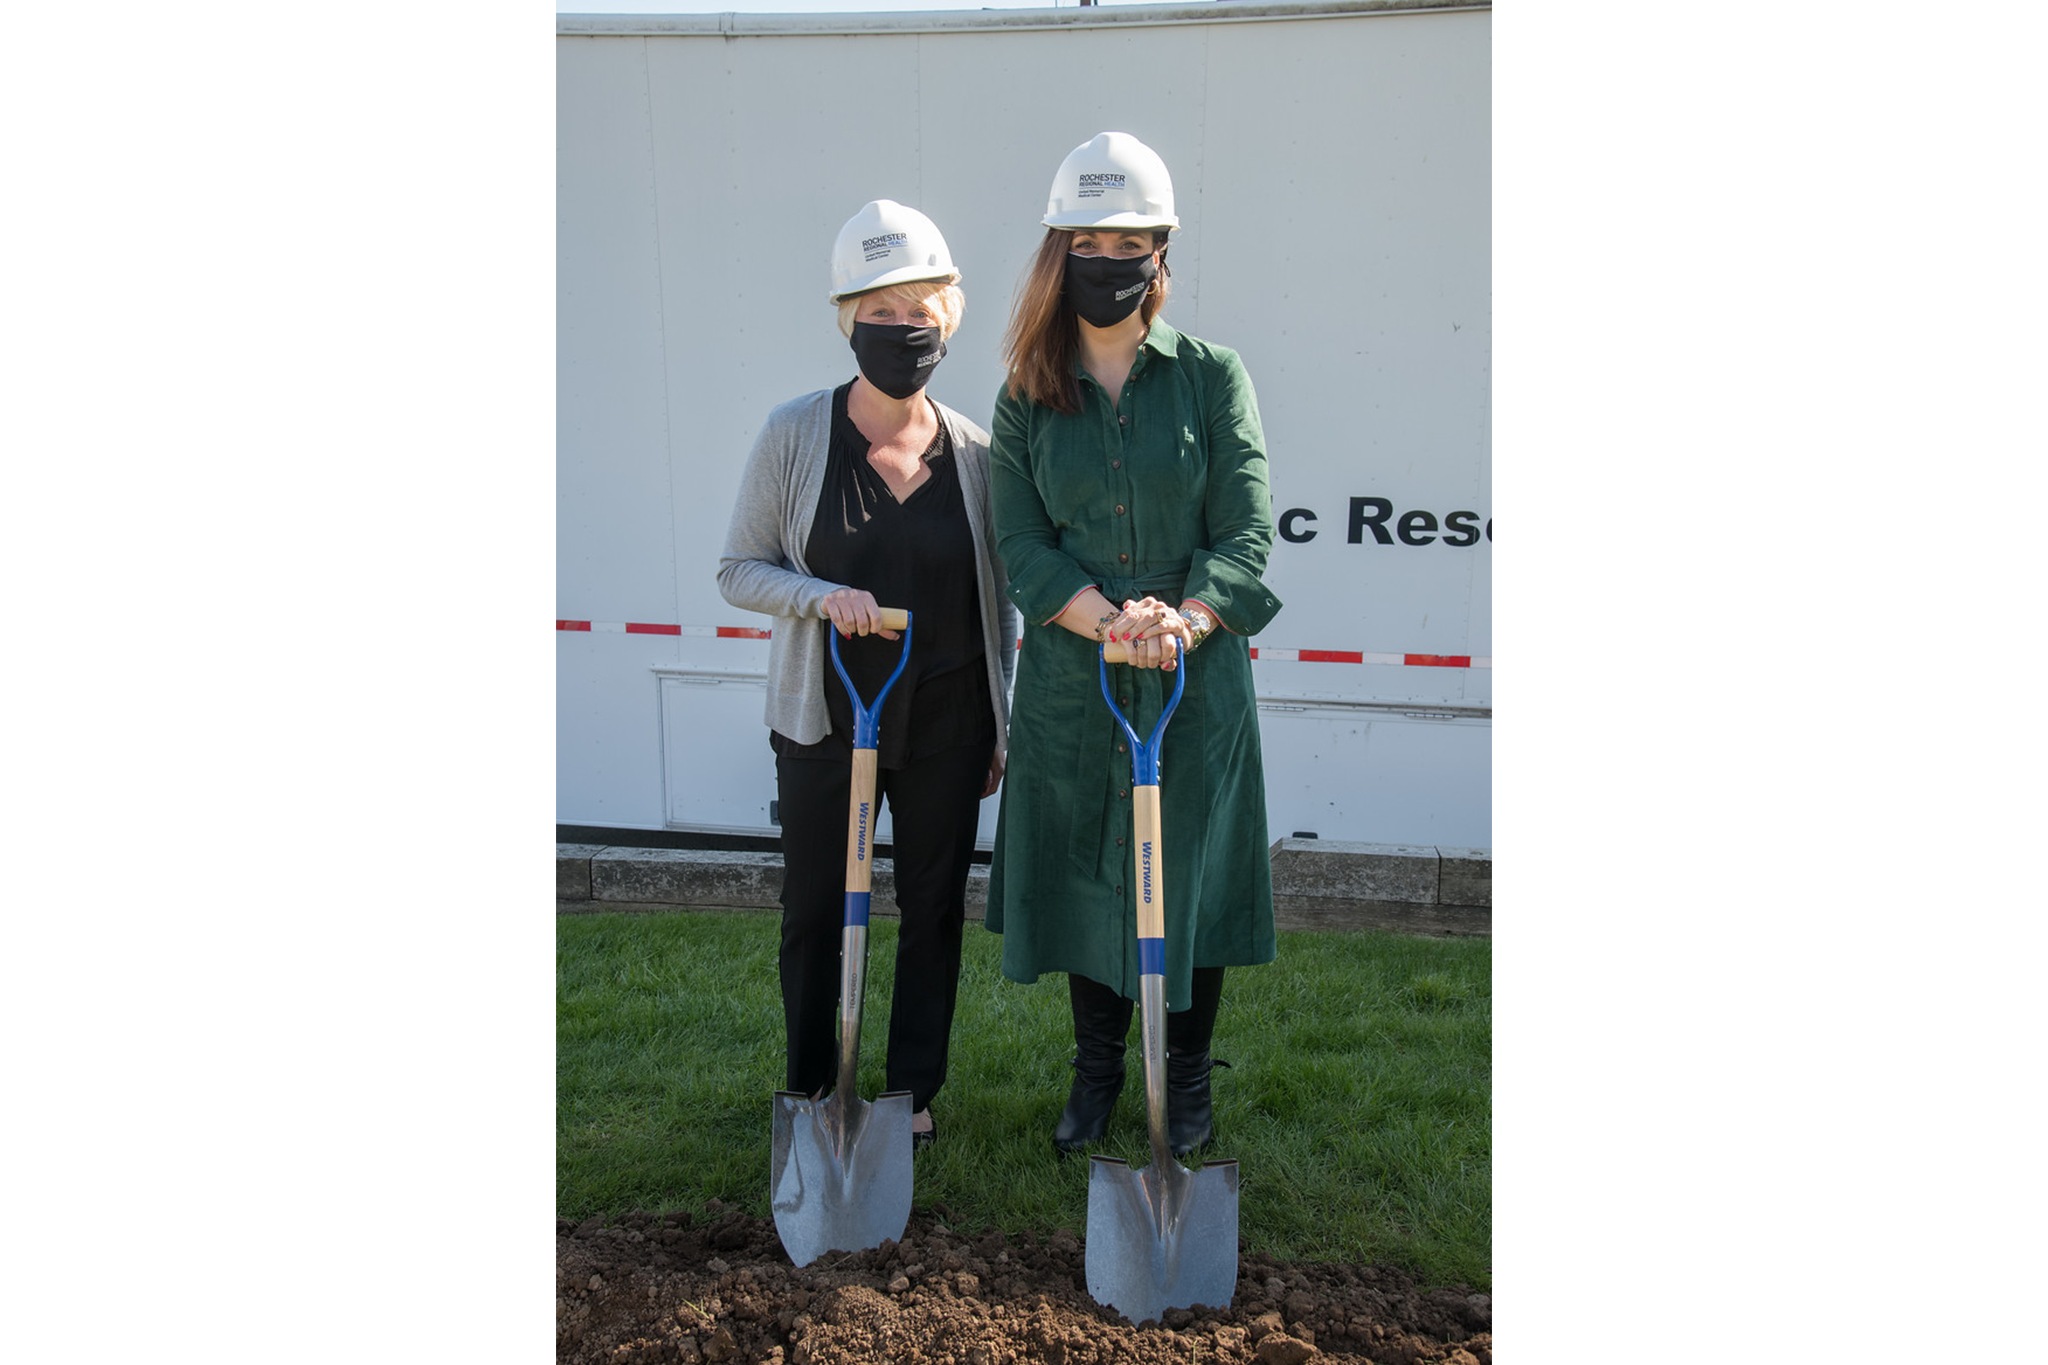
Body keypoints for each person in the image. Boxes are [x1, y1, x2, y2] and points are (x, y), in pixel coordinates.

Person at [985, 133, 1282, 1157]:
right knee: (1084, 876)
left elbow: (1245, 535)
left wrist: (1186, 618)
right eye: (1088, 240)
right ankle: (1095, 1076)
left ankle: (1187, 1079)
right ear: (1057, 253)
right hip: (1077, 684)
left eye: (1130, 241)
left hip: (1192, 686)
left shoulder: (1210, 378)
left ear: (1160, 255)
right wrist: (1104, 622)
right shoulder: (1025, 392)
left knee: (1185, 879)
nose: (1108, 260)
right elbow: (1020, 544)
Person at [717, 199, 1018, 1152]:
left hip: (945, 718)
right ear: (848, 319)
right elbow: (740, 569)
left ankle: (911, 1096)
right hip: (825, 718)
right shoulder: (795, 434)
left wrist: (998, 728)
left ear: (949, 318)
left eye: (919, 308)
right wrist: (819, 594)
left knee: (931, 908)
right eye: (879, 311)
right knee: (813, 907)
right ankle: (813, 1087)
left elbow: (997, 598)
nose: (901, 329)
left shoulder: (976, 453)